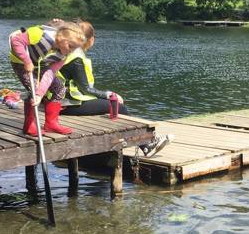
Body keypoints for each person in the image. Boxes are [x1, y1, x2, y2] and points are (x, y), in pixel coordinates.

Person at [58, 20, 173, 156]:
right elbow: (85, 90)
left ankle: (141, 141)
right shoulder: (76, 58)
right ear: (91, 39)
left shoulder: (70, 53)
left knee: (111, 106)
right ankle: (146, 145)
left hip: (66, 102)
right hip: (67, 105)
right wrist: (110, 95)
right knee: (119, 107)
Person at [9, 22, 86, 136]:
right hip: (21, 63)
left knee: (59, 88)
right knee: (33, 88)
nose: (71, 51)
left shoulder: (63, 55)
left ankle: (51, 123)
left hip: (42, 66)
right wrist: (26, 61)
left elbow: (49, 74)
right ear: (61, 37)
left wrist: (40, 94)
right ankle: (29, 125)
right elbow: (16, 40)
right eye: (70, 46)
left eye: (75, 49)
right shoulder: (40, 34)